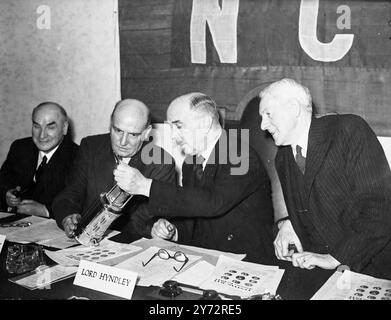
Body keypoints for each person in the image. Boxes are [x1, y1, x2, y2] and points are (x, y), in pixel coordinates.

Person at [113, 93, 276, 264]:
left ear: (205, 123)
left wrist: (146, 186)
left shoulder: (239, 155)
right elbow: (194, 212)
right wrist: (175, 231)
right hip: (209, 257)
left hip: (247, 261)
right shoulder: (192, 161)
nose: (174, 137)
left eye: (179, 126)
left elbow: (212, 202)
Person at [259, 78, 391, 278]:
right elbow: (311, 206)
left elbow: (380, 210)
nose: (262, 125)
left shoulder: (349, 130)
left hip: (371, 268)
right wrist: (289, 223)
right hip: (321, 270)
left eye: (268, 114)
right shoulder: (283, 157)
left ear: (294, 108)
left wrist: (335, 258)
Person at [52, 99, 176, 238]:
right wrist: (67, 217)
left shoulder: (161, 162)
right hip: (84, 241)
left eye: (133, 134)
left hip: (130, 243)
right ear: (110, 125)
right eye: (118, 131)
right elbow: (71, 193)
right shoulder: (91, 147)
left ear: (146, 133)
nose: (123, 142)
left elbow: (151, 218)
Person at [0, 102, 78, 218]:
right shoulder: (20, 147)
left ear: (64, 128)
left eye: (50, 127)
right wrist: (6, 195)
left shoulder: (78, 157)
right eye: (37, 126)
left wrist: (46, 211)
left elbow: (79, 205)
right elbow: (2, 181)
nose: (42, 135)